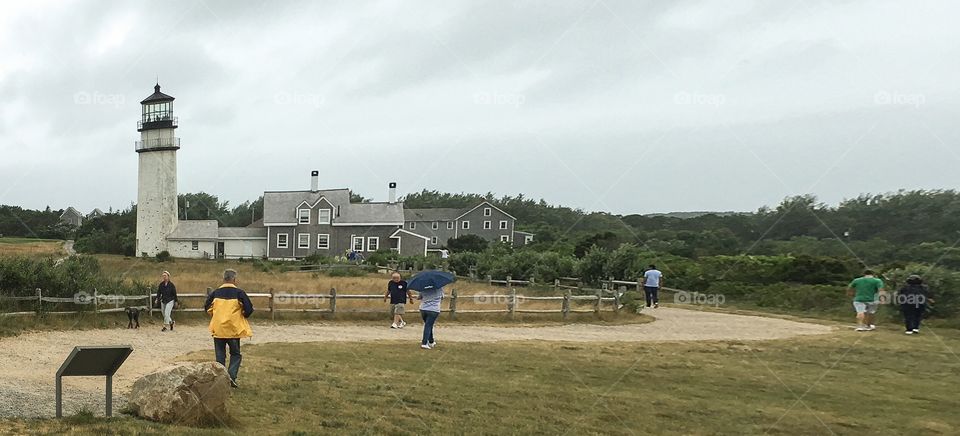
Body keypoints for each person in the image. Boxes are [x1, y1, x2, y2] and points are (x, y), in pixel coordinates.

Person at [204, 269, 254, 388]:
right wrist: (243, 314)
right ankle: (231, 376)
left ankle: (220, 379)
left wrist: (216, 315)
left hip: (218, 329)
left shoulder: (215, 293)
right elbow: (249, 309)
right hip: (233, 329)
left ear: (223, 279)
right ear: (234, 280)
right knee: (235, 354)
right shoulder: (239, 293)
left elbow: (206, 307)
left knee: (220, 356)